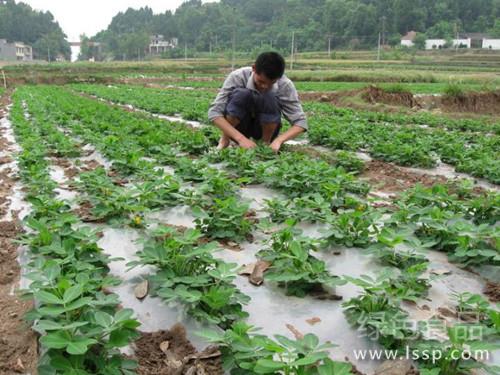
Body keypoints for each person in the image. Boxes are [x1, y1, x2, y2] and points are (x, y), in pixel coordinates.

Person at [207, 52, 307, 153]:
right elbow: (214, 112)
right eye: (261, 81)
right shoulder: (238, 77)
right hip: (239, 126)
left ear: (279, 77)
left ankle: (265, 144)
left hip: (266, 129)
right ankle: (225, 140)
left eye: (271, 83)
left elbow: (301, 122)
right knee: (242, 94)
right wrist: (241, 139)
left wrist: (278, 141)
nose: (265, 86)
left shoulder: (285, 85)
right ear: (254, 68)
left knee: (269, 95)